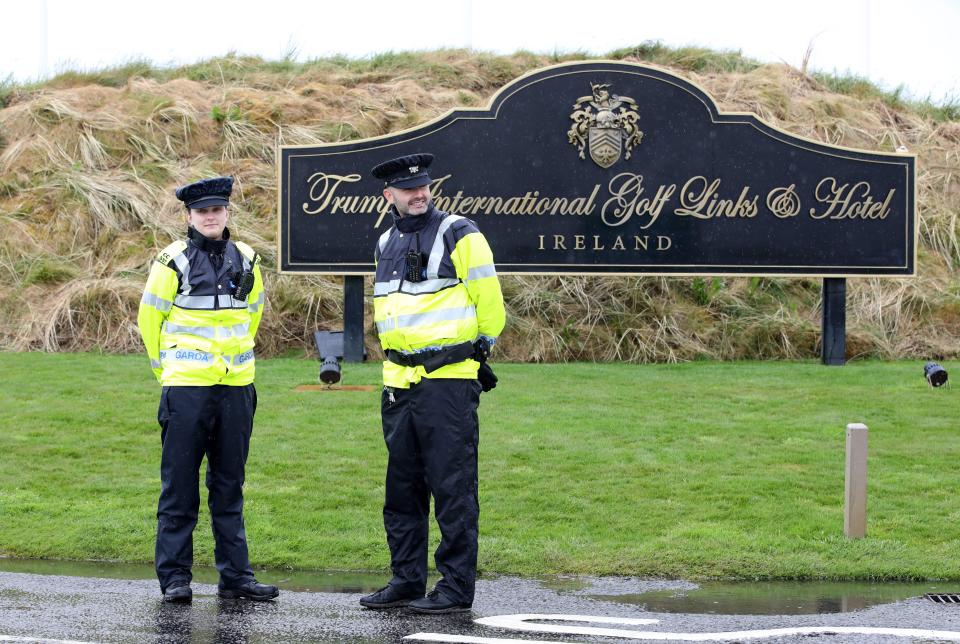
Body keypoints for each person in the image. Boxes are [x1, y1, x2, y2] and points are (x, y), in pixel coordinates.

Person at [359, 153, 506, 614]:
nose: (418, 193)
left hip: (447, 381)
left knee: (452, 487)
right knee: (402, 489)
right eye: (407, 189)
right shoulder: (384, 242)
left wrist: (469, 355)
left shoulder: (460, 232)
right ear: (390, 196)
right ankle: (406, 579)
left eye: (423, 186)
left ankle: (455, 589)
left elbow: (491, 307)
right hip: (397, 381)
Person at [137, 176, 278, 604]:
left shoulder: (249, 258)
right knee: (179, 487)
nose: (211, 216)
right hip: (187, 389)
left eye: (217, 210)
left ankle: (236, 577)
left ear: (227, 213)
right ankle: (175, 579)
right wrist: (168, 371)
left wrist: (236, 363)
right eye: (202, 211)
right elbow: (150, 320)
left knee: (229, 485)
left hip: (236, 387)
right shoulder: (171, 261)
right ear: (189, 216)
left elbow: (252, 316)